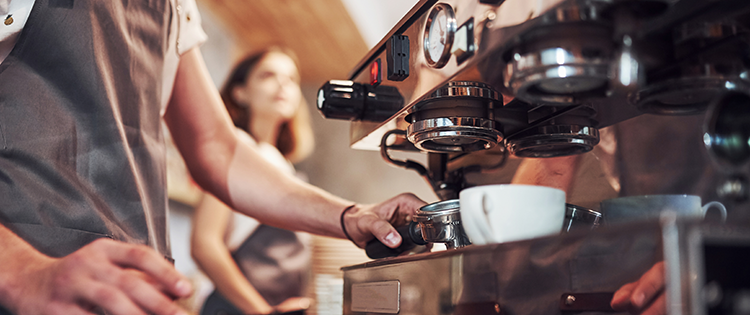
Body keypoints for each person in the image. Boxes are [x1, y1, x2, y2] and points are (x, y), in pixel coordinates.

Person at [0, 1, 425, 315]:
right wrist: (21, 271)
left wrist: (350, 215)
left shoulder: (175, 8)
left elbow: (217, 149)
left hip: (134, 293)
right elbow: (207, 243)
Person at [191, 48, 315, 315]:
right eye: (268, 75)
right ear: (240, 93)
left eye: (291, 79)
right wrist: (261, 311)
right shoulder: (236, 148)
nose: (283, 84)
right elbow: (204, 244)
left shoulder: (283, 164)